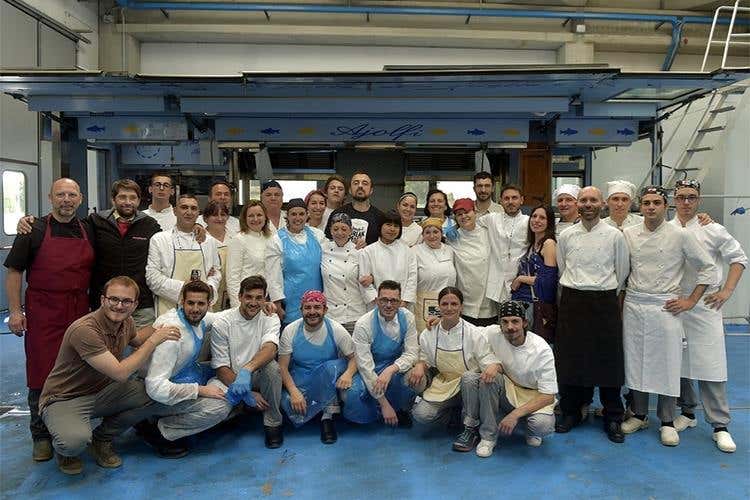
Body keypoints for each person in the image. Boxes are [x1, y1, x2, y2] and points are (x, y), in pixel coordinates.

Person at [39, 276, 181, 474]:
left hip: (102, 391)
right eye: (114, 299)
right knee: (74, 442)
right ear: (102, 299)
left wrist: (171, 319)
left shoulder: (126, 322)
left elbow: (137, 339)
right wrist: (154, 341)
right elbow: (121, 373)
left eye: (126, 301)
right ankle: (65, 450)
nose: (119, 306)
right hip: (66, 397)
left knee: (154, 394)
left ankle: (102, 438)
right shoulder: (85, 330)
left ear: (135, 305)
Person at [4, 178, 95, 462]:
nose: (66, 199)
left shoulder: (89, 229)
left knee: (78, 370)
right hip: (43, 310)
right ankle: (41, 435)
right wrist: (15, 311)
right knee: (41, 371)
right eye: (60, 194)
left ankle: (70, 428)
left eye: (72, 194)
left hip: (79, 310)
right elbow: (14, 272)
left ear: (80, 199)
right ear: (50, 197)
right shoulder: (33, 229)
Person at [621, 186, 716, 447]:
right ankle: (639, 414)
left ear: (666, 206)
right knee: (635, 362)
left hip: (666, 306)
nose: (651, 207)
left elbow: (708, 268)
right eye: (647, 203)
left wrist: (690, 300)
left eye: (656, 202)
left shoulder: (681, 235)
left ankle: (666, 420)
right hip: (635, 304)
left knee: (668, 365)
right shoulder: (629, 233)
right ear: (640, 206)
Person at [152, 275, 285, 449]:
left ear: (265, 299)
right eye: (248, 297)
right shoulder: (221, 322)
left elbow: (270, 348)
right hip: (228, 376)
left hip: (255, 373)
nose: (253, 302)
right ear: (239, 296)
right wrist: (246, 393)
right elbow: (221, 368)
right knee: (219, 408)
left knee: (273, 368)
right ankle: (161, 429)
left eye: (259, 298)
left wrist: (247, 370)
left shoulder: (270, 317)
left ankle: (273, 423)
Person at [16, 179, 163, 328]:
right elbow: (65, 223)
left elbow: (165, 249)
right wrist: (27, 221)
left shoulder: (150, 225)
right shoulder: (96, 222)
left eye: (132, 198)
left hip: (140, 304)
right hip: (104, 304)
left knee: (142, 342)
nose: (127, 202)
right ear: (113, 200)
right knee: (101, 342)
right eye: (122, 197)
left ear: (139, 201)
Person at [669, 179, 746, 453]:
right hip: (676, 304)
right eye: (681, 197)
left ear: (698, 200)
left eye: (691, 197)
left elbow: (738, 259)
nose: (686, 202)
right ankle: (687, 412)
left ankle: (720, 425)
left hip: (705, 306)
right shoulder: (667, 230)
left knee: (711, 366)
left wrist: (727, 290)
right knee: (678, 364)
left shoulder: (712, 229)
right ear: (674, 200)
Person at [554, 187, 630, 443]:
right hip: (573, 300)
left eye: (593, 200)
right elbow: (563, 267)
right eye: (584, 200)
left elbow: (621, 271)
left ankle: (613, 416)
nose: (588, 204)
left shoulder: (615, 236)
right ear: (578, 204)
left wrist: (604, 292)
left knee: (609, 360)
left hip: (604, 301)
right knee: (571, 358)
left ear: (602, 204)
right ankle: (571, 411)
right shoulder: (567, 236)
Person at [461, 300, 557, 457]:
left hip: (533, 395)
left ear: (525, 323)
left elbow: (548, 396)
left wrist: (514, 415)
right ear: (500, 324)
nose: (510, 327)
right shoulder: (494, 333)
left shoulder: (541, 349)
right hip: (509, 390)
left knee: (541, 425)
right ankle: (488, 438)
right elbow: (467, 330)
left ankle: (528, 429)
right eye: (504, 322)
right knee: (486, 378)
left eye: (515, 321)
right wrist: (442, 321)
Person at [139, 280, 220, 458]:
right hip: (158, 394)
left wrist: (262, 307)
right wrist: (200, 390)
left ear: (208, 304)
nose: (195, 309)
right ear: (182, 302)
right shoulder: (172, 334)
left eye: (201, 304)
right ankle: (159, 431)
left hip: (187, 373)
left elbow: (227, 316)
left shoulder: (201, 319)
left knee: (224, 371)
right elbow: (155, 387)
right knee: (220, 407)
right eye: (190, 303)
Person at [411, 287, 497, 430]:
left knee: (468, 380)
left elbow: (488, 360)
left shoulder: (474, 333)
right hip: (444, 384)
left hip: (470, 388)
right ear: (439, 306)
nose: (449, 308)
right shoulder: (429, 333)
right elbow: (425, 358)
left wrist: (494, 366)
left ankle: (469, 424)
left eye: (454, 304)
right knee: (421, 415)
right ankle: (452, 414)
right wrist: (420, 365)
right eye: (444, 304)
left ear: (461, 307)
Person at [279, 290, 357, 443]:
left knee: (330, 369)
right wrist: (294, 392)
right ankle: (313, 409)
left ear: (325, 310)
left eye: (317, 307)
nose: (312, 312)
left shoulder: (335, 329)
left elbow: (354, 358)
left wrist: (348, 374)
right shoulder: (290, 330)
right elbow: (282, 367)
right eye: (307, 307)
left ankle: (327, 417)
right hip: (301, 376)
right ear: (301, 310)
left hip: (328, 376)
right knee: (289, 403)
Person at [344, 281, 418, 426]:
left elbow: (412, 353)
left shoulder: (408, 317)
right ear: (377, 300)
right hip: (370, 366)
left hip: (394, 366)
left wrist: (390, 370)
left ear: (400, 302)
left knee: (413, 379)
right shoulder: (364, 324)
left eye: (393, 301)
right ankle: (379, 409)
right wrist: (384, 404)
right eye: (384, 300)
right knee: (352, 393)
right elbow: (365, 367)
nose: (388, 305)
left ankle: (400, 409)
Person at [146, 193, 222, 317]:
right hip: (169, 309)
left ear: (198, 213)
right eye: (184, 207)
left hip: (201, 308)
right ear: (175, 211)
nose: (189, 212)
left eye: (193, 208)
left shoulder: (209, 241)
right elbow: (152, 278)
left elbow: (216, 272)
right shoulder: (159, 240)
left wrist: (208, 288)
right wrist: (184, 288)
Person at [266, 198, 326, 324]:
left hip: (317, 300)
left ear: (307, 215)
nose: (297, 218)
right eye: (293, 214)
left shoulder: (318, 235)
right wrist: (278, 305)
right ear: (287, 216)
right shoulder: (277, 240)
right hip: (291, 303)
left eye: (301, 214)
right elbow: (273, 276)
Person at [476, 184, 530, 307]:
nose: (510, 202)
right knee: (500, 317)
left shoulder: (529, 221)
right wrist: (454, 227)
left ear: (522, 200)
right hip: (497, 283)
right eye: (506, 198)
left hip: (520, 282)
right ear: (500, 201)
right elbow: (471, 224)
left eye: (514, 198)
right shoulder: (492, 219)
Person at [510, 205, 558, 340]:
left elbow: (548, 282)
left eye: (542, 218)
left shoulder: (548, 244)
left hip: (538, 308)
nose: (536, 220)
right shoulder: (532, 244)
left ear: (549, 222)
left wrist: (521, 279)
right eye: (534, 216)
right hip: (524, 305)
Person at [446, 199, 496, 326]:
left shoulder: (488, 232)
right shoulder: (452, 238)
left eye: (467, 212)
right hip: (464, 303)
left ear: (475, 212)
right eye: (459, 214)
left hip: (488, 303)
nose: (464, 216)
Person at [358, 210, 418, 307]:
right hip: (377, 306)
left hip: (401, 305)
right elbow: (365, 282)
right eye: (388, 224)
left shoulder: (407, 251)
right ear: (380, 226)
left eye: (396, 226)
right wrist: (379, 302)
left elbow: (412, 279)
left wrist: (404, 301)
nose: (392, 229)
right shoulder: (368, 251)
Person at [321, 213, 368, 333]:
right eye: (335, 229)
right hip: (331, 314)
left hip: (354, 313)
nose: (339, 233)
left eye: (344, 229)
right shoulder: (322, 250)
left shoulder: (359, 252)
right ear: (330, 230)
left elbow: (367, 278)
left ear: (350, 231)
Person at [226, 200, 273, 308]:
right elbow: (232, 278)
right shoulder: (238, 240)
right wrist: (238, 307)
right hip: (246, 301)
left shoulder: (270, 238)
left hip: (266, 299)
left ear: (265, 217)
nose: (255, 219)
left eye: (259, 215)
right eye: (251, 216)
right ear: (244, 218)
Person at [413, 217, 456, 332]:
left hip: (447, 302)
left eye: (435, 232)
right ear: (422, 235)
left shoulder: (450, 250)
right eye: (427, 232)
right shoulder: (415, 251)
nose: (432, 236)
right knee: (427, 334)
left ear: (441, 233)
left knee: (445, 334)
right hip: (423, 302)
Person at [326, 171, 384, 246]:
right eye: (356, 183)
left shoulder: (380, 217)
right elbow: (327, 243)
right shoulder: (337, 214)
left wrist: (368, 248)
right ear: (350, 190)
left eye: (365, 183)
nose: (360, 186)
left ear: (371, 190)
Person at [202, 200, 232, 311]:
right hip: (210, 289)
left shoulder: (235, 238)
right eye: (214, 215)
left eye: (223, 215)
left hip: (230, 289)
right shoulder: (200, 239)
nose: (219, 219)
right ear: (205, 218)